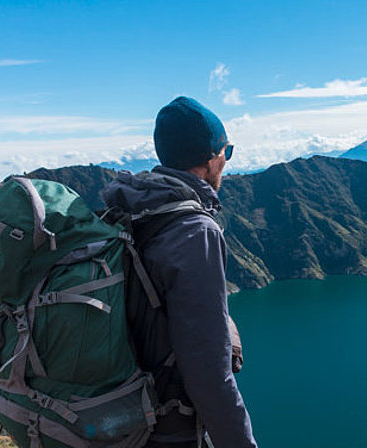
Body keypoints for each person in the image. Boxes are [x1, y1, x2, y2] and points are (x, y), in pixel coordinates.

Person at [102, 96, 257, 447]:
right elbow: (209, 373)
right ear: (210, 158)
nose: (226, 163)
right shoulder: (195, 232)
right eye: (226, 152)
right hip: (164, 433)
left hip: (115, 420)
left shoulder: (129, 206)